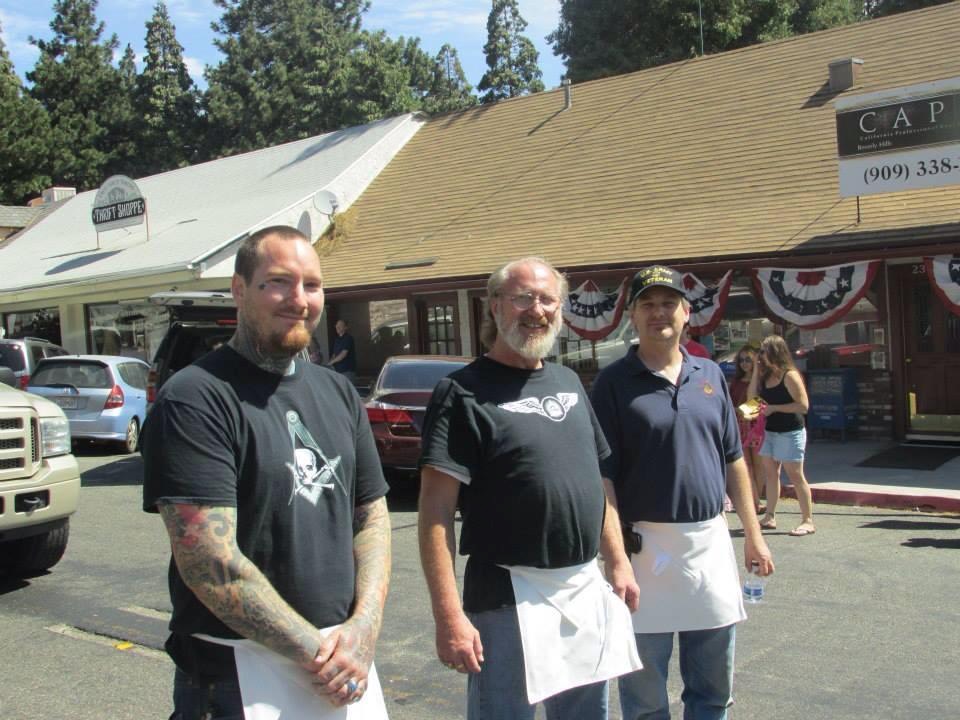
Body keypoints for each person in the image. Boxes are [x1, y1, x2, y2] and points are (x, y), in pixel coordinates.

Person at [142, 225, 391, 718]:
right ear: (239, 290)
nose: (299, 299)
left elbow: (372, 517)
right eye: (279, 281)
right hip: (237, 678)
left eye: (313, 285)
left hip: (340, 662)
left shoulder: (338, 393)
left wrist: (363, 629)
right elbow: (210, 564)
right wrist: (326, 658)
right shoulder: (196, 398)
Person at [418, 257, 642, 720]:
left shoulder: (568, 382)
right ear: (495, 306)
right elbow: (435, 513)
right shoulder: (461, 392)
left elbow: (595, 480)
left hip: (582, 591)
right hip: (506, 601)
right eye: (523, 297)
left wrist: (617, 561)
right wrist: (448, 616)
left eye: (546, 299)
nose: (535, 309)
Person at [591, 265, 774, 720]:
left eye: (668, 303)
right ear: (632, 316)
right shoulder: (613, 383)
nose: (659, 313)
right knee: (645, 698)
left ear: (687, 312)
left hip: (709, 547)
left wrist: (754, 535)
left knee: (712, 691)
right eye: (647, 305)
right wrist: (615, 558)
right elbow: (603, 478)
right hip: (643, 555)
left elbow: (734, 459)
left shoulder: (709, 373)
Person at [749, 334, 816, 536]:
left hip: (790, 431)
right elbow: (752, 399)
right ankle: (770, 515)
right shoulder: (765, 375)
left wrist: (774, 408)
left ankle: (808, 520)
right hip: (769, 431)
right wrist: (754, 371)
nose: (760, 356)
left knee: (795, 475)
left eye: (763, 352)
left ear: (774, 352)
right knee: (771, 474)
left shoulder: (790, 375)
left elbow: (803, 406)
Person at [728, 344, 766, 514]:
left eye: (748, 360)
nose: (744, 364)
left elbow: (761, 402)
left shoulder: (762, 380)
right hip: (739, 425)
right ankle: (754, 501)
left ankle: (757, 498)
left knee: (759, 464)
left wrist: (757, 371)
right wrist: (739, 411)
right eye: (741, 360)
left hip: (757, 426)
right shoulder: (735, 382)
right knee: (746, 464)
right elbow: (729, 402)